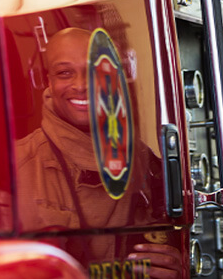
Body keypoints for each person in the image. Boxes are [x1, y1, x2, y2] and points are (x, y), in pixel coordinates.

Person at [14, 27, 182, 279]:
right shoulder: (15, 167)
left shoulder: (145, 163)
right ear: (47, 79)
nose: (81, 86)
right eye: (65, 73)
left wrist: (176, 266)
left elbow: (166, 242)